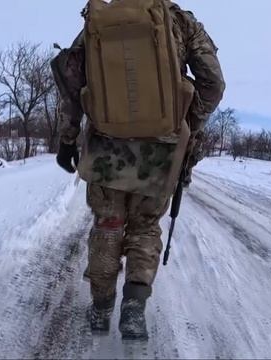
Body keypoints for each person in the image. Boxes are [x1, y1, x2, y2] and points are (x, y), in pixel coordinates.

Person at [54, 0, 225, 340]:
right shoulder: (179, 21)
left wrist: (68, 138)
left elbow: (71, 81)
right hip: (161, 147)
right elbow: (213, 82)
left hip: (107, 144)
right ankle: (134, 307)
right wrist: (186, 124)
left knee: (108, 223)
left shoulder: (102, 20)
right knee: (145, 226)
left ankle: (101, 308)